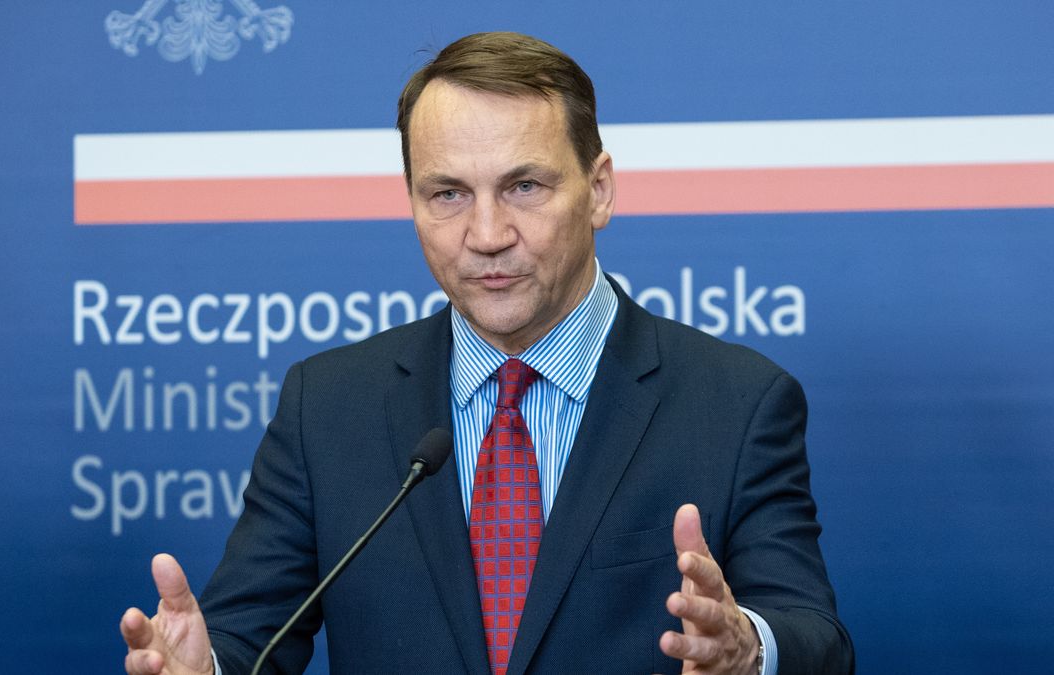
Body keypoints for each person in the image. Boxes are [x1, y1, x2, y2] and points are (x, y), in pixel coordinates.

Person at [121, 31, 854, 675]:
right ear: (410, 200)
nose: (487, 232)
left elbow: (817, 639)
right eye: (447, 194)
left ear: (599, 190)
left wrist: (747, 649)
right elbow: (253, 639)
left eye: (524, 186)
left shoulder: (738, 401)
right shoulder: (327, 406)